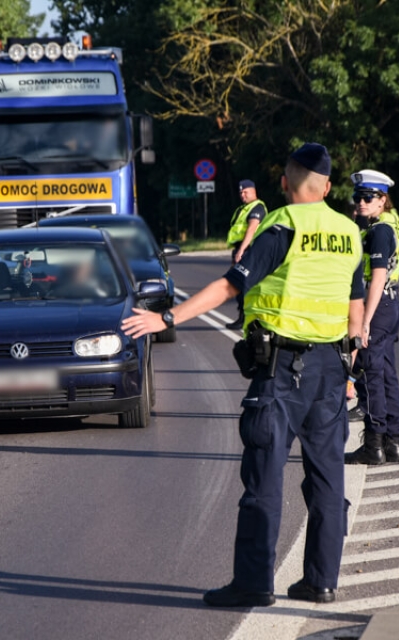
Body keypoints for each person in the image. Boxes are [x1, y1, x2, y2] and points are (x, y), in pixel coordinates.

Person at [122, 143, 364, 607]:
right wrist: (349, 367)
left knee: (264, 479)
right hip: (332, 371)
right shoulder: (349, 231)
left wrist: (166, 318)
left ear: (284, 184)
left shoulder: (283, 224)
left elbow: (229, 285)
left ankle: (253, 583)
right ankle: (321, 581)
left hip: (283, 374)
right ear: (329, 187)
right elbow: (355, 309)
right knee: (329, 480)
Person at [344, 169, 399, 465]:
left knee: (370, 376)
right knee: (387, 375)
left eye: (368, 197)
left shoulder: (380, 231)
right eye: (357, 197)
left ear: (383, 200)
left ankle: (374, 445)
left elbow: (378, 277)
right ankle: (393, 442)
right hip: (389, 306)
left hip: (377, 306)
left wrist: (365, 321)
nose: (361, 202)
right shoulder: (378, 226)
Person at [225, 179, 268, 330]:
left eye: (246, 192)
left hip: (249, 249)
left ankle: (249, 319)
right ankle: (242, 317)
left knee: (246, 286)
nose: (242, 195)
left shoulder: (257, 207)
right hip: (240, 249)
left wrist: (242, 250)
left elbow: (251, 229)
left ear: (254, 191)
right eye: (241, 192)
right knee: (238, 285)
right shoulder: (242, 209)